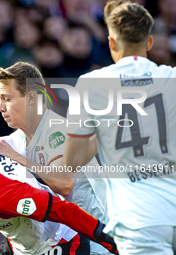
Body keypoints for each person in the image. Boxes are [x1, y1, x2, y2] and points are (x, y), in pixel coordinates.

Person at [63, 1, 176, 254]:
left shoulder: (90, 84)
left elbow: (71, 162)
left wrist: (103, 134)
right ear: (149, 42)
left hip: (139, 219)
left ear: (111, 42)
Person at [0, 61, 109, 255]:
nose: (0, 107)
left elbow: (64, 183)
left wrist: (17, 158)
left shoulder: (60, 130)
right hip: (57, 243)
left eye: (7, 98)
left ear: (32, 98)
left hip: (94, 243)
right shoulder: (14, 141)